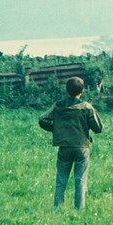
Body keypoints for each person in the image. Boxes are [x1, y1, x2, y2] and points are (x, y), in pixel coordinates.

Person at [39, 76, 104, 210]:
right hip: (81, 146)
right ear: (82, 90)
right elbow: (98, 128)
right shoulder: (86, 107)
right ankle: (79, 210)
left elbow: (42, 119)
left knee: (61, 180)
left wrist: (56, 129)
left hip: (64, 147)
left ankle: (58, 208)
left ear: (67, 90)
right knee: (80, 180)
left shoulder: (58, 105)